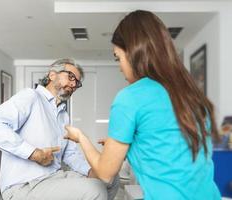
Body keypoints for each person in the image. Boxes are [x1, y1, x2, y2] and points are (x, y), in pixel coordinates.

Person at [64, 10, 221, 200]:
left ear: (134, 52)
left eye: (118, 57)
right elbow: (170, 149)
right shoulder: (191, 94)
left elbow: (105, 173)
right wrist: (129, 144)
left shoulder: (131, 97)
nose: (120, 66)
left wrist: (81, 137)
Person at [0, 58, 119, 200]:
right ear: (52, 75)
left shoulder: (63, 115)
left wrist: (90, 171)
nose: (73, 84)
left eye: (77, 82)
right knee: (94, 190)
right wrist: (34, 153)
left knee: (110, 181)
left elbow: (69, 154)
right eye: (70, 77)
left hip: (54, 178)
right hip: (24, 185)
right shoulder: (30, 97)